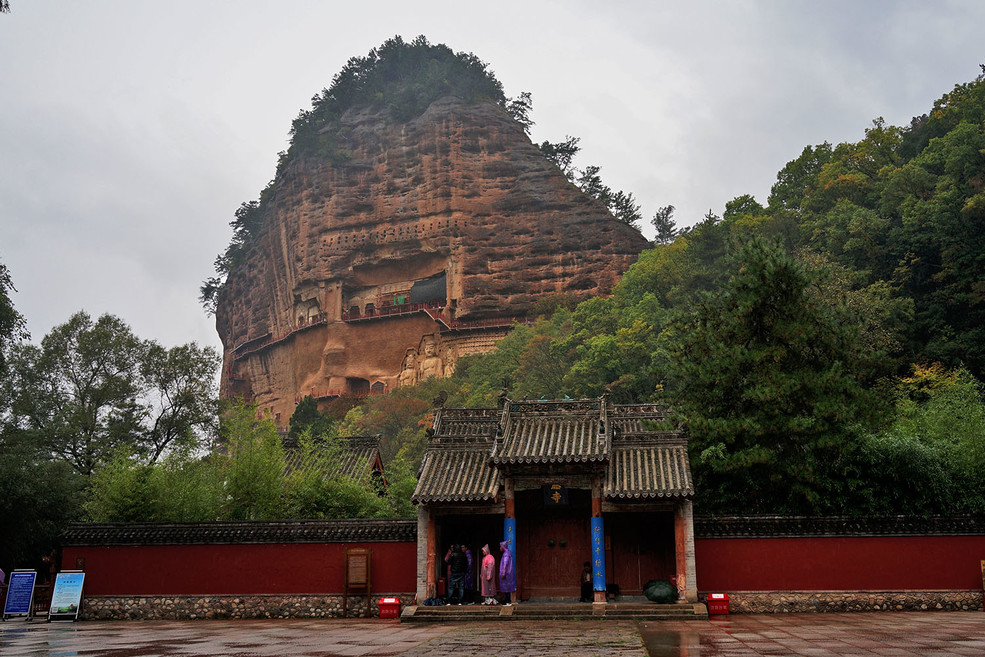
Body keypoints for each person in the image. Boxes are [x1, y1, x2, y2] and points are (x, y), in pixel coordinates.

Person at [498, 540, 516, 606]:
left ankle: (508, 601)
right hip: (508, 573)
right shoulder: (507, 553)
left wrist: (503, 573)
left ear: (503, 546)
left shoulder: (506, 554)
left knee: (506, 587)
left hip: (506, 574)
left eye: (500, 546)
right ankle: (507, 600)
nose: (500, 547)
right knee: (507, 587)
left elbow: (505, 564)